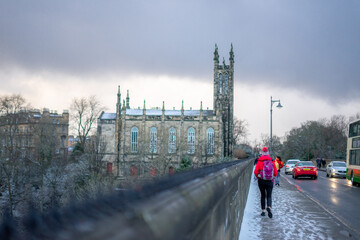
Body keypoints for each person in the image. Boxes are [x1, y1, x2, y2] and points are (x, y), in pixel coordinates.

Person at [254, 147, 278, 218]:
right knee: (269, 195)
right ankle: (269, 207)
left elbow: (255, 172)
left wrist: (259, 177)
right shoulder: (272, 161)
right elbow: (276, 173)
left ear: (262, 153)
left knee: (262, 195)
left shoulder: (259, 161)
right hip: (270, 181)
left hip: (261, 181)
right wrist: (272, 177)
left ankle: (263, 211)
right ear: (268, 153)